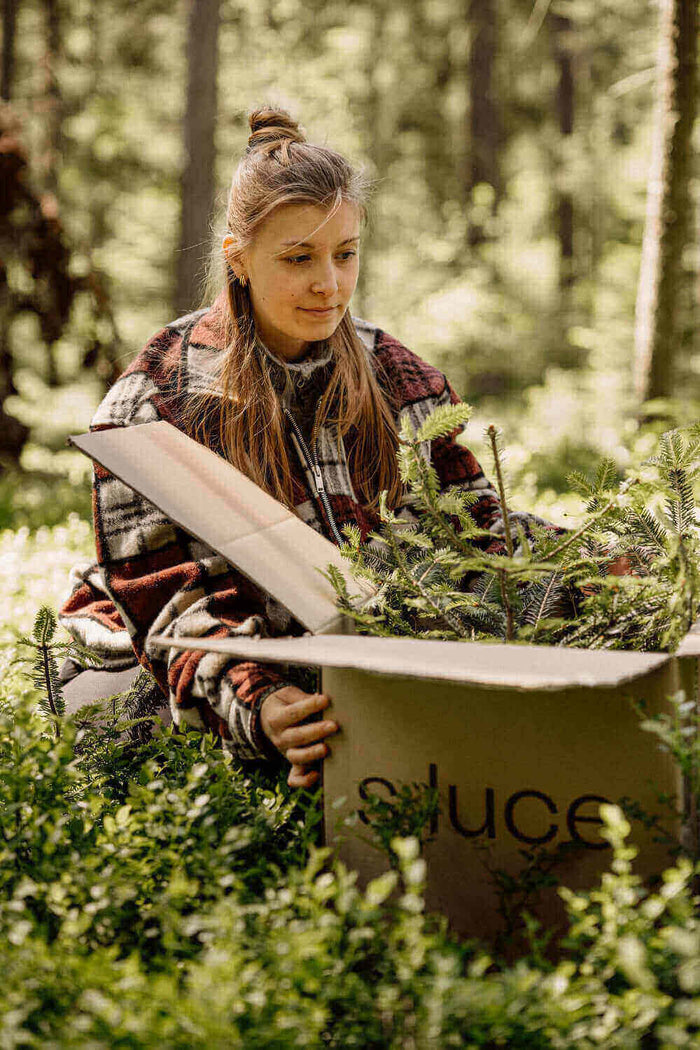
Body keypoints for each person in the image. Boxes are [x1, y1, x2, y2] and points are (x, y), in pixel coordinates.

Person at [60, 106, 536, 788]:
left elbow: (476, 524)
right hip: (172, 651)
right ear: (239, 259)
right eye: (298, 258)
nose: (329, 284)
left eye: (346, 254)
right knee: (151, 746)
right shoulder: (156, 400)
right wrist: (258, 703)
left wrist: (590, 568)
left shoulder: (393, 372)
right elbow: (169, 600)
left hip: (340, 645)